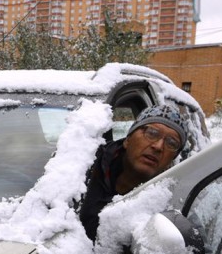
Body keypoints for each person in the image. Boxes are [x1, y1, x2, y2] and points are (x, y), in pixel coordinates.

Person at [79, 103, 188, 240]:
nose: (158, 146)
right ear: (128, 140)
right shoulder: (85, 165)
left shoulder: (173, 201)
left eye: (171, 143)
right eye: (152, 133)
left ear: (172, 160)